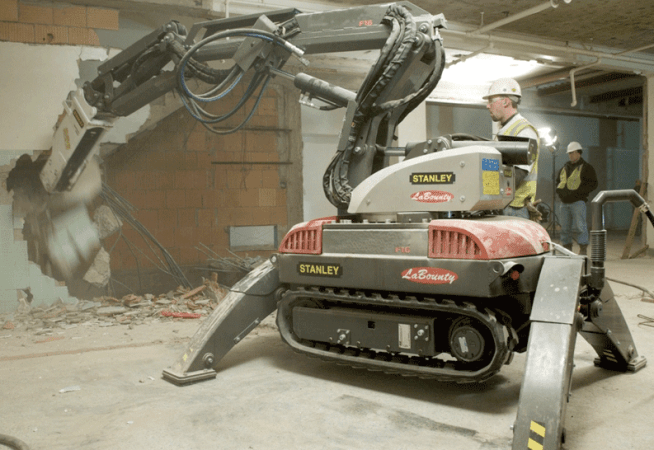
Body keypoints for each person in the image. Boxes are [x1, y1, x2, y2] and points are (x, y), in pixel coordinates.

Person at [483, 78, 540, 220]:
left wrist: (486, 194)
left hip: (515, 208)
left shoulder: (524, 131)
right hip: (505, 205)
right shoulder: (505, 130)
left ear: (505, 101)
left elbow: (518, 174)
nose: (488, 106)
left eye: (491, 101)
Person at [556, 141, 598, 255]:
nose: (570, 155)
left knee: (580, 226)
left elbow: (593, 184)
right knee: (565, 228)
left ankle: (583, 248)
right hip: (564, 203)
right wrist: (561, 194)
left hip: (578, 202)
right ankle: (567, 249)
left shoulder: (587, 168)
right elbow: (558, 183)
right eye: (569, 153)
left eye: (572, 153)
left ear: (579, 153)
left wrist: (580, 194)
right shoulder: (564, 168)